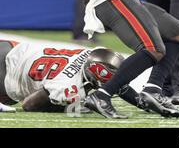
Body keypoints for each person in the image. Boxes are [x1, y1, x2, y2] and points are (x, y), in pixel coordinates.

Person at [0, 39, 140, 113]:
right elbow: (28, 105)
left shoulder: (95, 53)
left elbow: (120, 85)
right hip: (6, 76)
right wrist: (69, 107)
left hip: (14, 48)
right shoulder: (69, 86)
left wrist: (141, 102)